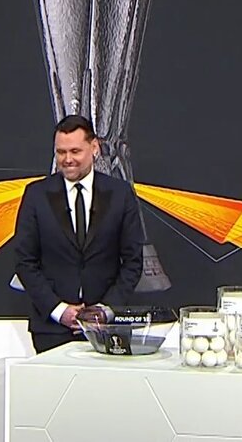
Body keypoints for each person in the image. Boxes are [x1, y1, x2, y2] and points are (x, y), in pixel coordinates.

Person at [13, 114, 144, 353]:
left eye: (75, 151)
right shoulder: (36, 195)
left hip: (107, 329)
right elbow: (24, 262)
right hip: (51, 330)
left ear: (94, 148)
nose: (67, 159)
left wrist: (104, 310)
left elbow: (133, 262)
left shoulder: (120, 194)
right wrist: (59, 310)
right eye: (61, 152)